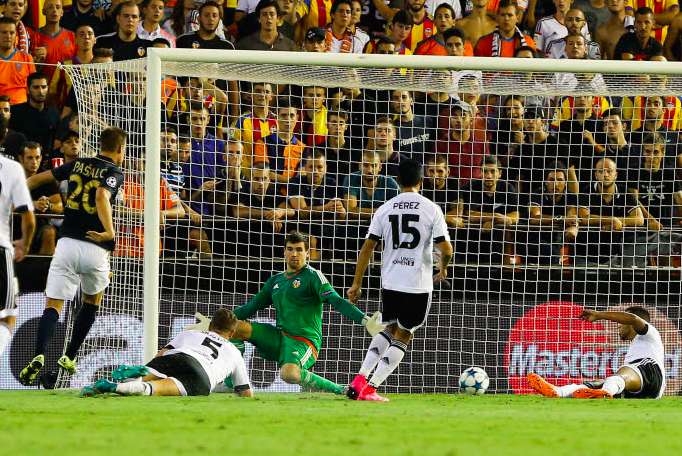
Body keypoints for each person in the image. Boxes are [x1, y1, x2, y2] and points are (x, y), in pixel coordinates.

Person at [19, 127, 126, 385]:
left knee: (54, 305)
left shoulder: (77, 164)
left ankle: (39, 354)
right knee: (92, 300)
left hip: (66, 243)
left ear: (100, 144)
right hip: (95, 246)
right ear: (120, 150)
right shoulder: (114, 172)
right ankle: (70, 355)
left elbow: (35, 180)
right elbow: (101, 195)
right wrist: (110, 233)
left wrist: (17, 196)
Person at [346, 159, 453, 401]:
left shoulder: (385, 208)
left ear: (397, 181)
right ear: (421, 182)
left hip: (390, 282)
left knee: (389, 328)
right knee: (404, 334)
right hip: (417, 284)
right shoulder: (431, 208)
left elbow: (367, 248)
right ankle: (370, 388)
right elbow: (446, 249)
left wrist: (356, 283)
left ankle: (359, 380)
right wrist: (442, 268)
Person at [230, 231, 384, 395]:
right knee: (233, 327)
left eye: (299, 249)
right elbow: (251, 306)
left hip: (304, 341)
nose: (294, 254)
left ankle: (339, 389)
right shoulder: (276, 281)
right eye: (290, 249)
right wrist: (215, 323)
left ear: (307, 253)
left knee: (288, 374)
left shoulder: (313, 276)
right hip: (278, 337)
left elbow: (336, 301)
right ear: (284, 252)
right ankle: (231, 384)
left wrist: (365, 320)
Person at [81, 308, 254, 397]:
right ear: (231, 334)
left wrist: (151, 369)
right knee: (152, 389)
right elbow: (245, 391)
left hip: (178, 356)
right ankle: (112, 387)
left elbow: (161, 354)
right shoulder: (234, 352)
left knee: (145, 375)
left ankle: (134, 374)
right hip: (201, 375)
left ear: (210, 326)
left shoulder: (191, 333)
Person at [529, 306, 665, 399]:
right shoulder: (638, 346)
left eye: (622, 322)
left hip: (652, 375)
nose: (618, 324)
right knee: (601, 383)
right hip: (643, 393)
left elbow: (633, 318)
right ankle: (559, 392)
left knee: (620, 376)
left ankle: (605, 393)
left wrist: (599, 314)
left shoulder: (650, 333)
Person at [0, 149, 35, 356]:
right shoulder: (11, 168)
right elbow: (29, 219)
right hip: (0, 247)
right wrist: (24, 244)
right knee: (7, 317)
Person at [15, 142, 62, 256]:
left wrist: (48, 205)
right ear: (21, 158)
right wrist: (32, 204)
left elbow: (60, 205)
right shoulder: (13, 176)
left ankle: (44, 272)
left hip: (39, 227)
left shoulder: (47, 178)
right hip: (14, 225)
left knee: (50, 232)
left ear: (41, 158)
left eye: (37, 157)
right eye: (30, 158)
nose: (34, 162)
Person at [8, 72, 59, 158]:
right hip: (19, 159)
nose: (40, 91)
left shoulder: (53, 113)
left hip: (46, 161)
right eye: (36, 87)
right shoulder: (15, 112)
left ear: (48, 88)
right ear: (28, 90)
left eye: (44, 87)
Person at [30, 0, 76, 81]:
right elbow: (32, 68)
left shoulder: (71, 36)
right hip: (43, 88)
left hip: (67, 87)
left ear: (62, 12)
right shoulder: (35, 36)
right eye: (50, 7)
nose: (54, 10)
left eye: (57, 7)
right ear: (43, 11)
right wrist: (38, 61)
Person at [0, 17, 36, 105]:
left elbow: (34, 87)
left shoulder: (27, 58)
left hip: (23, 109)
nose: (8, 36)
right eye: (4, 32)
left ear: (16, 35)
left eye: (11, 33)